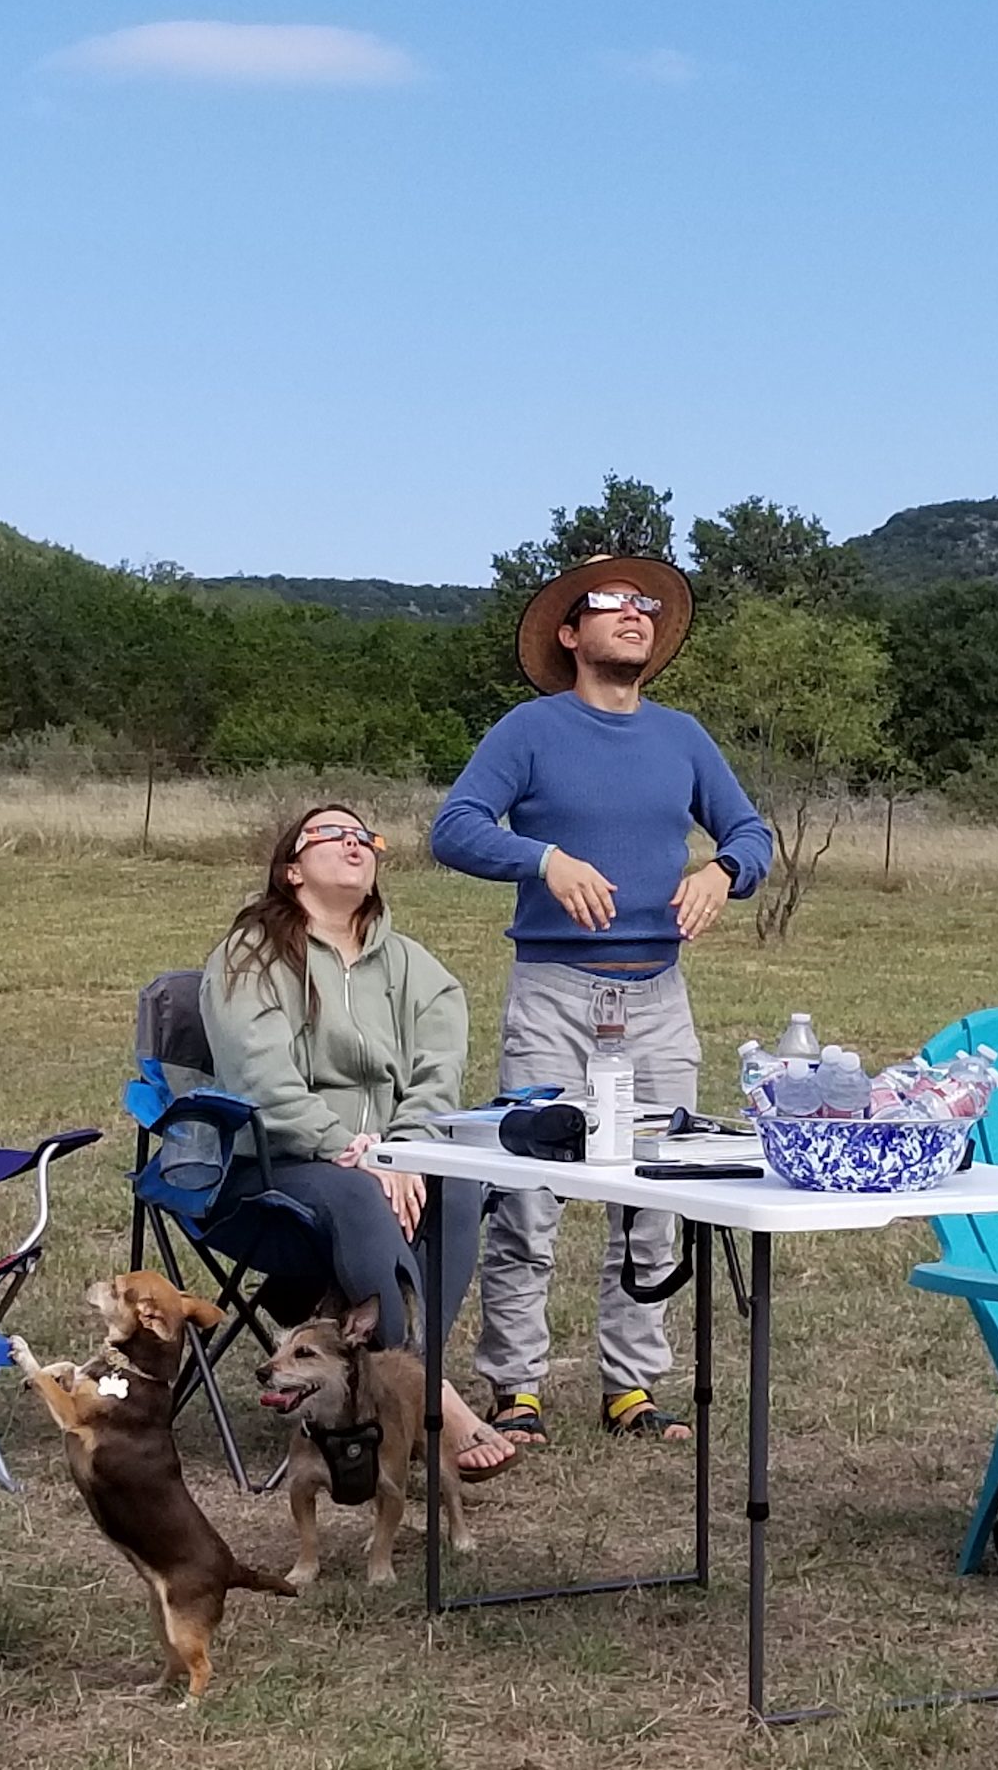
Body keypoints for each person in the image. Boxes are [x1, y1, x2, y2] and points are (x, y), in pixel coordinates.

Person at [431, 553, 773, 1447]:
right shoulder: (530, 730)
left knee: (656, 1192)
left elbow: (749, 830)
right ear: (571, 633)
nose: (637, 613)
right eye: (613, 602)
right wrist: (542, 858)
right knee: (529, 1192)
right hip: (553, 993)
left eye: (647, 604)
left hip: (657, 996)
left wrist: (725, 870)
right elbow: (455, 826)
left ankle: (631, 1386)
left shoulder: (683, 735)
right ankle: (516, 1386)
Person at [199, 802, 520, 1479]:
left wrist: (401, 1149)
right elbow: (260, 1079)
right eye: (332, 834)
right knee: (356, 1194)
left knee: (458, 1181)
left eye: (363, 837)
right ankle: (434, 1398)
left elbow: (439, 1073)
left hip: (385, 1158)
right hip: (273, 1163)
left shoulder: (413, 966)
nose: (355, 844)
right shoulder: (251, 956)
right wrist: (356, 1148)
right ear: (291, 869)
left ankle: (406, 1379)